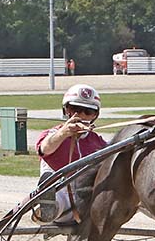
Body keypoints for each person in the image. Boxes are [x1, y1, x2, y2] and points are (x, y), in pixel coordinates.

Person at [34, 84, 107, 224]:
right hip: (61, 193)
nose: (81, 115)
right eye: (75, 109)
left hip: (88, 201)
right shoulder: (52, 134)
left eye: (88, 111)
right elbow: (45, 149)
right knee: (56, 192)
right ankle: (47, 208)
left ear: (95, 115)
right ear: (66, 110)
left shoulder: (99, 142)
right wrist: (63, 133)